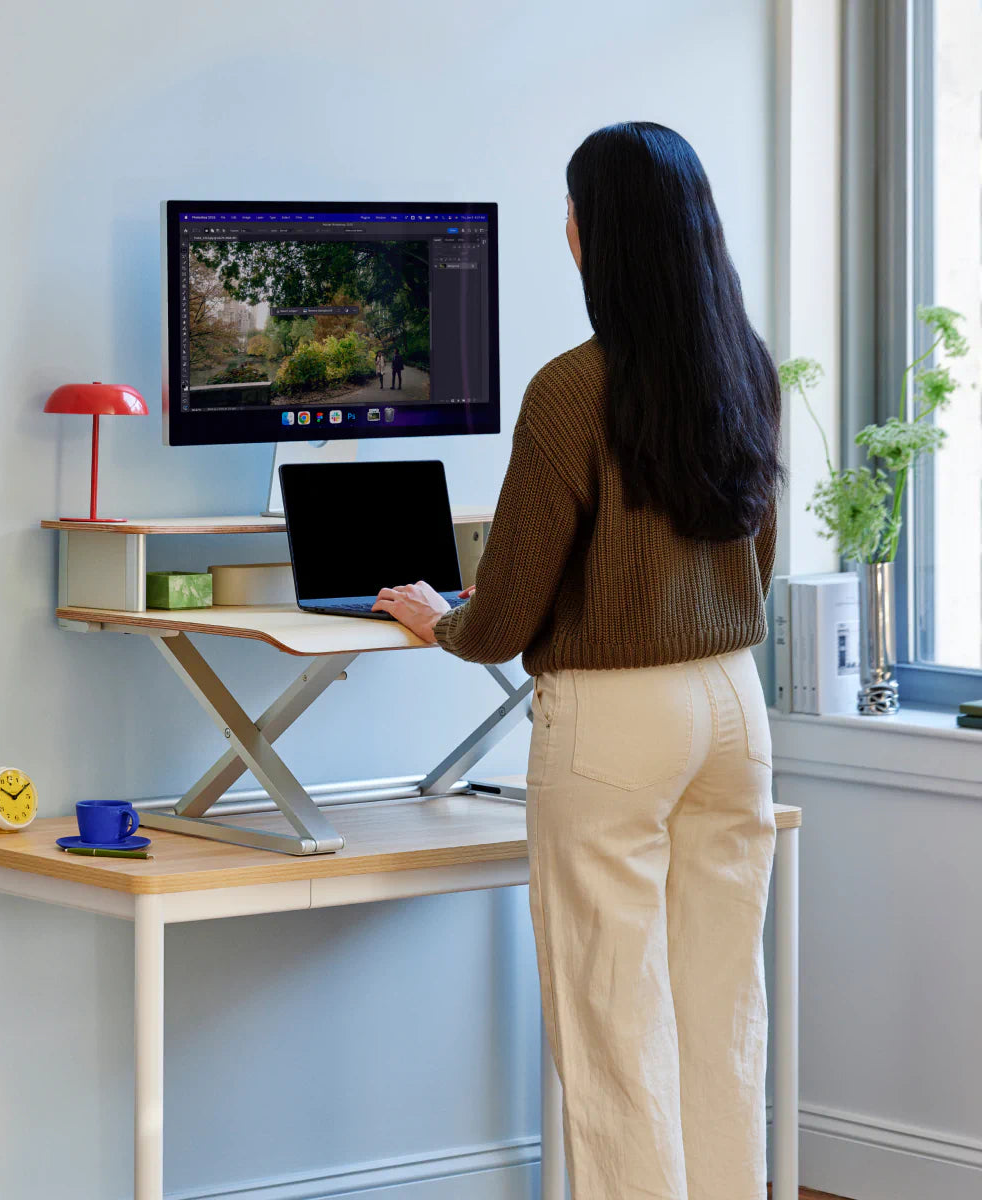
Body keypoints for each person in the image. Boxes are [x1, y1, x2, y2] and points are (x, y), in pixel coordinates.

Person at [374, 122, 782, 1200]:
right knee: (720, 1012)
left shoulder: (570, 392)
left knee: (614, 1024)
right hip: (737, 709)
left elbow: (502, 614)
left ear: (594, 233)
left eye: (570, 207)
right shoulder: (744, 366)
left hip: (615, 724)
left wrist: (437, 619)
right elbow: (760, 554)